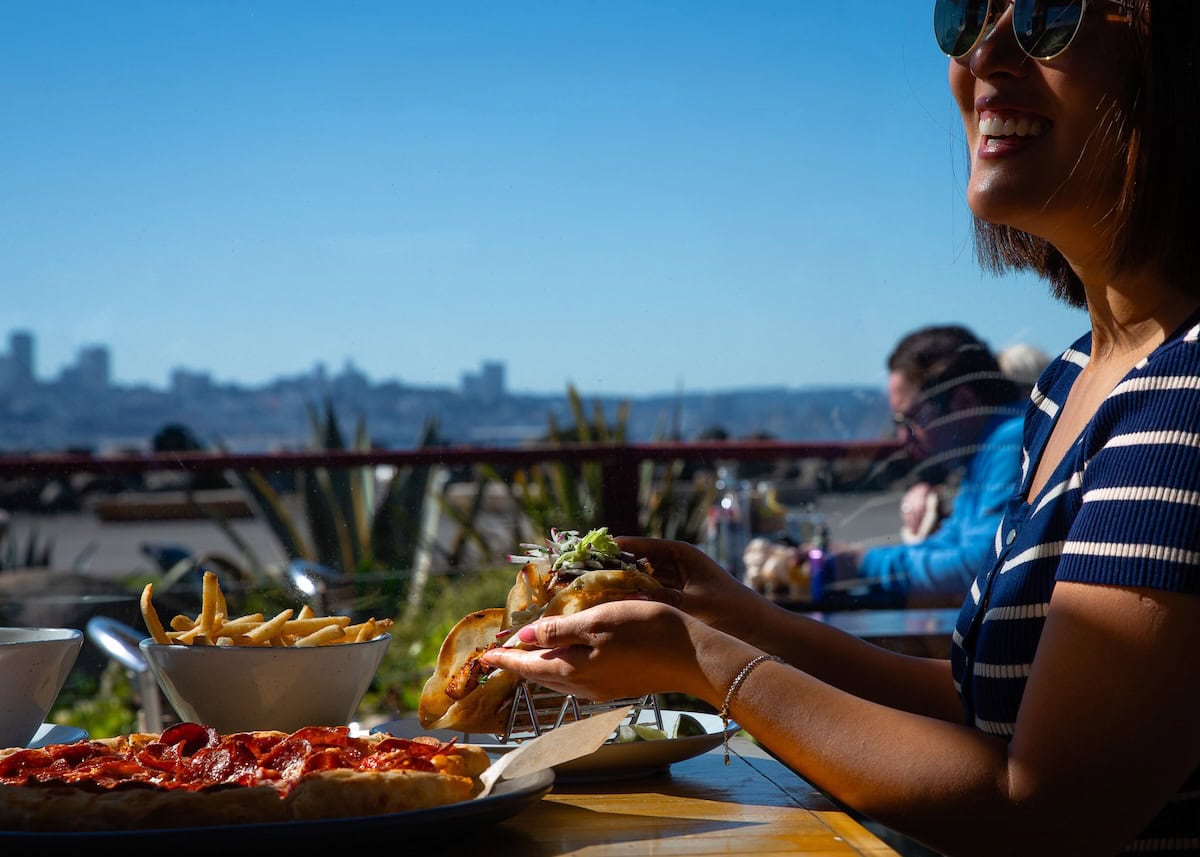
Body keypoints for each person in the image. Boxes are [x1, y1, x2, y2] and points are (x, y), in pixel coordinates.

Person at [483, 3, 1200, 853]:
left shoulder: (1187, 397)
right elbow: (988, 708)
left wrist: (704, 662)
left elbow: (1045, 807)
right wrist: (752, 622)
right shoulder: (1073, 380)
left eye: (1050, 12)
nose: (986, 51)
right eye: (968, 11)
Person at [819, 324, 1025, 608]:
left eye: (910, 420)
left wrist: (861, 565)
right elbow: (951, 543)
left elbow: (979, 565)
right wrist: (857, 558)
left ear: (963, 402)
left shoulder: (1011, 441)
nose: (903, 437)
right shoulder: (986, 448)